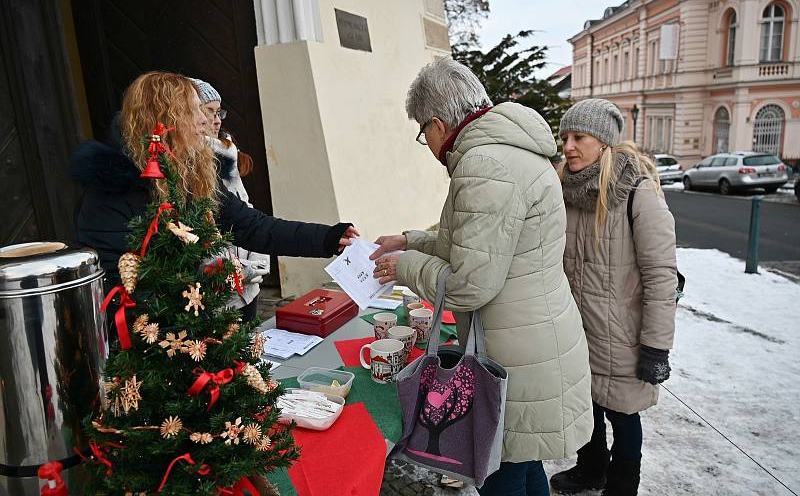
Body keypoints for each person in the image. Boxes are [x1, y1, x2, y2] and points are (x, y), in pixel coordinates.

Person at [370, 57, 593, 496]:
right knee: (522, 465)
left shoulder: (485, 164)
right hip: (534, 336)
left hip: (516, 351)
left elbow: (471, 284)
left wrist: (406, 268)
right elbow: (471, 244)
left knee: (500, 473)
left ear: (438, 123)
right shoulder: (508, 151)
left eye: (422, 132)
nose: (427, 143)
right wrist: (410, 241)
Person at [70, 71, 358, 296]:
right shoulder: (107, 198)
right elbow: (127, 292)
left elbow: (252, 227)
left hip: (212, 332)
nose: (204, 122)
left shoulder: (191, 177)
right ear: (163, 121)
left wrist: (328, 238)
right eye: (193, 111)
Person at [549, 99, 677, 496]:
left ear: (603, 142)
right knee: (587, 407)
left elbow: (661, 277)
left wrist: (656, 348)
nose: (568, 146)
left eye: (579, 137)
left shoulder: (638, 192)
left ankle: (622, 487)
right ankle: (591, 470)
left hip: (624, 337)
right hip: (577, 331)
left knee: (623, 418)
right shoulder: (563, 191)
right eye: (564, 136)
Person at [190, 77, 269, 322]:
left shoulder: (227, 154)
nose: (216, 120)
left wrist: (259, 259)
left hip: (249, 288)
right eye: (209, 112)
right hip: (218, 296)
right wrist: (234, 271)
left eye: (219, 112)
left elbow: (245, 209)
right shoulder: (189, 165)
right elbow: (203, 234)